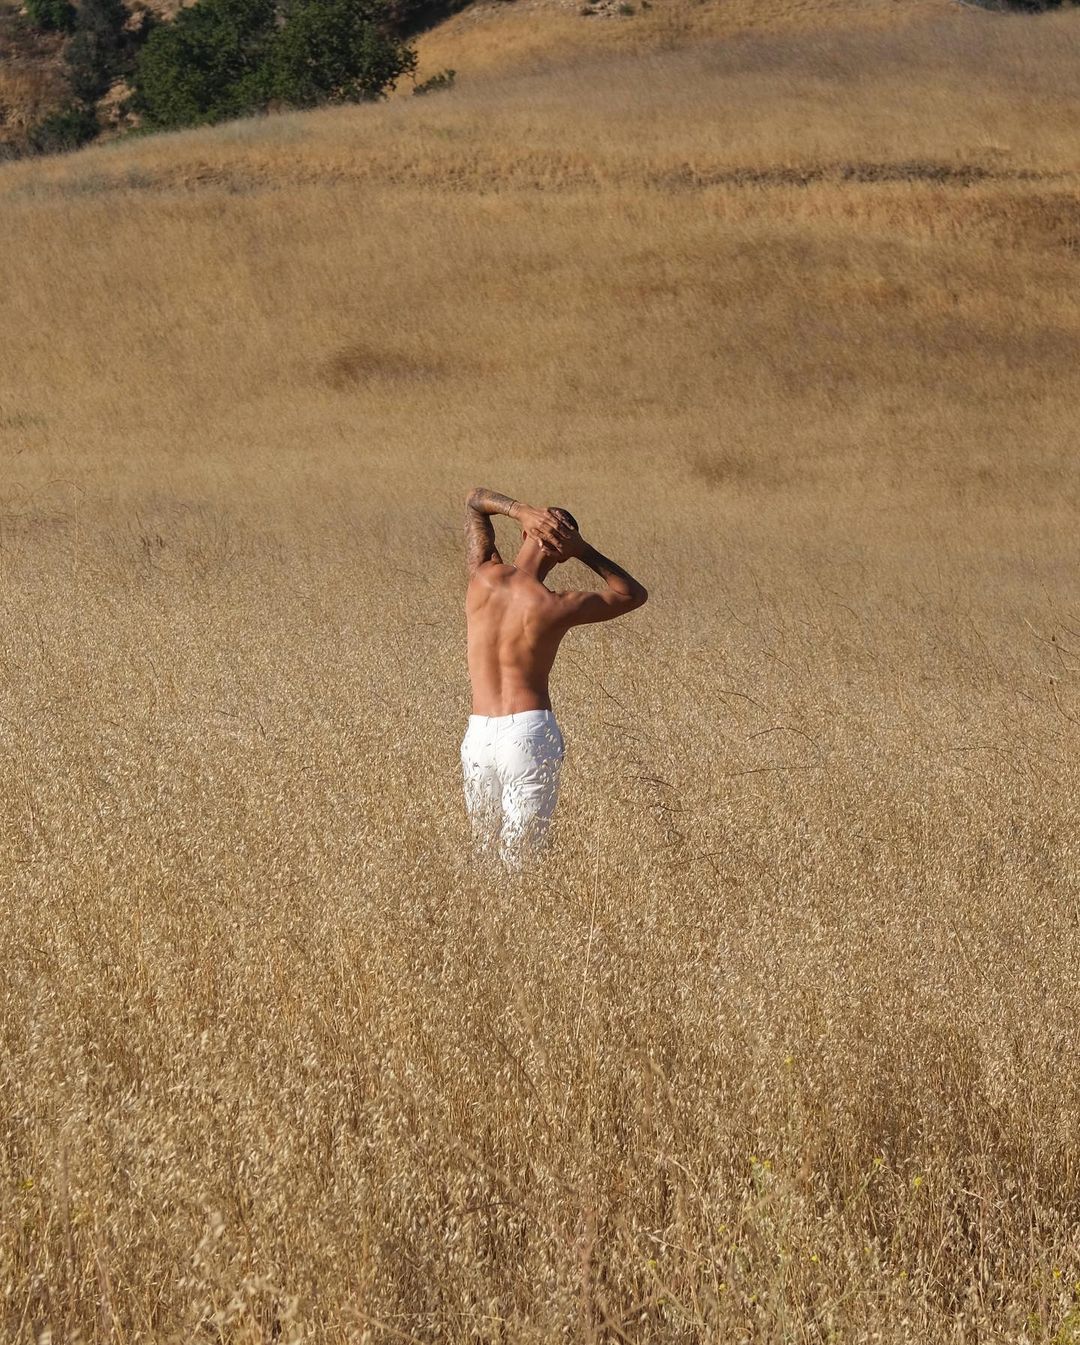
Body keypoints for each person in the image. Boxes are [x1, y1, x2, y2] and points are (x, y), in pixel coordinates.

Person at [461, 486, 648, 865]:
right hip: (528, 734)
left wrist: (519, 510)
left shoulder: (482, 577)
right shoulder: (555, 605)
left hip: (477, 736)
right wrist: (583, 550)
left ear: (525, 535)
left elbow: (475, 501)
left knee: (483, 855)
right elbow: (632, 594)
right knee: (521, 861)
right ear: (563, 556)